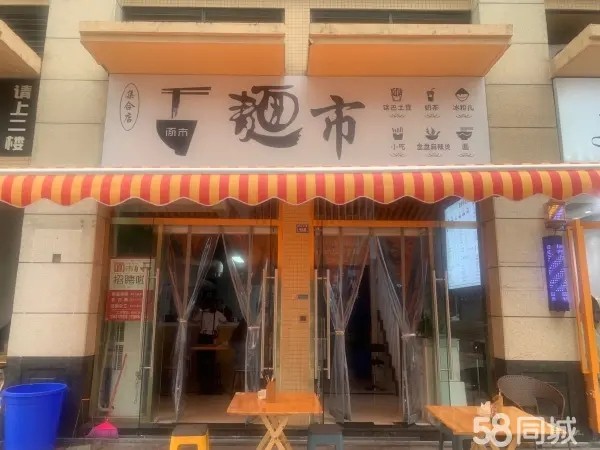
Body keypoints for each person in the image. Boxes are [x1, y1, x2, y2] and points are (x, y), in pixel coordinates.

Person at [194, 298, 228, 394]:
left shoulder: (201, 313)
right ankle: (210, 385)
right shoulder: (217, 313)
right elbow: (225, 320)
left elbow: (194, 320)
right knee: (211, 361)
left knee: (201, 362)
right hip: (211, 338)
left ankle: (202, 386)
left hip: (202, 337)